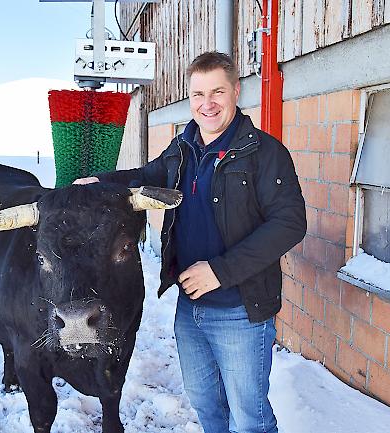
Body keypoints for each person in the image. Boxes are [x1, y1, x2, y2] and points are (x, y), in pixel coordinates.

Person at [74, 51, 306, 433]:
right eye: (198, 94)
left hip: (240, 310)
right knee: (205, 405)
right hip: (190, 308)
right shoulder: (184, 148)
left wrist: (220, 271)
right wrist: (100, 183)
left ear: (236, 91)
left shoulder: (264, 153)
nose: (207, 104)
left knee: (250, 418)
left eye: (217, 92)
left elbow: (289, 224)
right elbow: (147, 175)